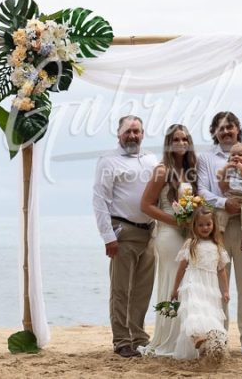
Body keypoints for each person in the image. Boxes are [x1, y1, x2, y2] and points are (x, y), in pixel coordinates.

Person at [196, 111, 242, 355]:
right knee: (218, 283)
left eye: (230, 127)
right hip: (219, 223)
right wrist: (224, 202)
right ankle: (220, 335)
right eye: (221, 128)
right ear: (214, 132)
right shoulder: (206, 158)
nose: (226, 131)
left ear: (238, 129)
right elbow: (203, 191)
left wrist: (235, 186)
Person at [92, 115, 158, 358]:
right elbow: (100, 200)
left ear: (143, 134)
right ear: (119, 134)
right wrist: (107, 236)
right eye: (128, 131)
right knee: (121, 290)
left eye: (137, 131)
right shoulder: (108, 161)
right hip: (123, 232)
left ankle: (139, 336)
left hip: (150, 232)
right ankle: (121, 340)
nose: (132, 136)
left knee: (142, 289)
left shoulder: (151, 159)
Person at [137, 124, 198, 357]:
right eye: (176, 139)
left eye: (185, 139)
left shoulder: (192, 170)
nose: (181, 143)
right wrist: (175, 222)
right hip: (169, 234)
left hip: (189, 234)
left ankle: (186, 339)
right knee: (173, 283)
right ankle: (169, 340)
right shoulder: (161, 170)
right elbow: (145, 205)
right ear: (169, 143)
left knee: (188, 284)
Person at [171, 207, 230, 362]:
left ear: (214, 225)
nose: (205, 228)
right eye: (201, 225)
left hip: (210, 286)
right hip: (193, 281)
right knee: (193, 310)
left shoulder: (217, 246)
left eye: (208, 224)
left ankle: (207, 347)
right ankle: (197, 336)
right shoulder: (190, 244)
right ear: (195, 227)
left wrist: (226, 291)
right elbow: (182, 268)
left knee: (209, 312)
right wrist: (175, 288)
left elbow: (222, 270)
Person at [214, 142, 242, 253]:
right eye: (233, 155)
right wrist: (226, 168)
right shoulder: (228, 168)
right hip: (230, 197)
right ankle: (219, 237)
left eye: (240, 155)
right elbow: (219, 177)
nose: (236, 157)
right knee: (220, 214)